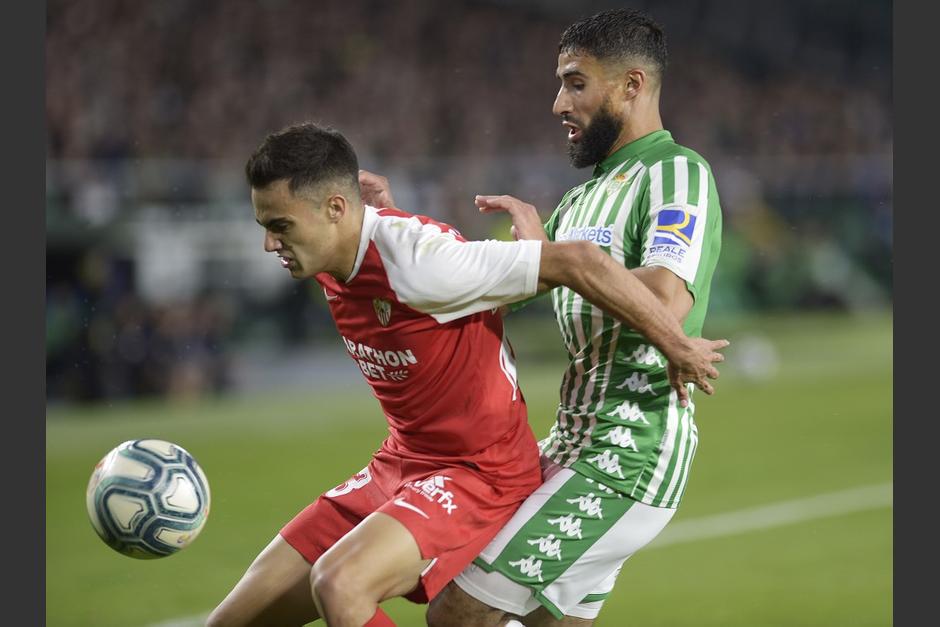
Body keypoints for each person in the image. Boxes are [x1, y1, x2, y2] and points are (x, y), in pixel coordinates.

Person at [206, 122, 726, 627]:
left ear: (336, 210)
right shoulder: (335, 245)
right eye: (265, 226)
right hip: (400, 463)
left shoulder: (422, 264)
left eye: (280, 227)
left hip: (478, 471)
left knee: (340, 585)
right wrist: (374, 211)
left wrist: (676, 343)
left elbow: (581, 261)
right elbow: (374, 235)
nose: (270, 245)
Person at [364, 8, 725, 626]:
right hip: (567, 441)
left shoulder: (676, 173)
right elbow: (491, 284)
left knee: (458, 610)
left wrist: (554, 262)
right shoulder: (583, 199)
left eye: (576, 83)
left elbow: (665, 297)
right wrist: (397, 230)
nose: (559, 103)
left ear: (632, 85)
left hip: (628, 450)